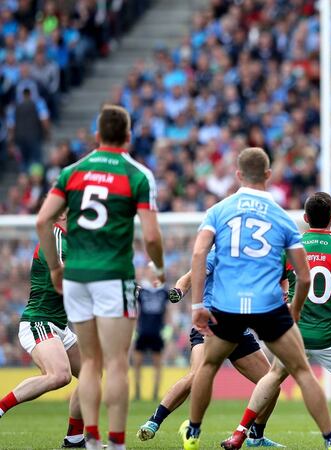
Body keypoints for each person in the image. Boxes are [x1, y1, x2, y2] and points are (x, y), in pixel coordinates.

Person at [183, 147, 331, 450]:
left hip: (227, 305)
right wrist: (294, 313)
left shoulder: (218, 210)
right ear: (269, 176)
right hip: (268, 305)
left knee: (208, 366)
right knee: (301, 371)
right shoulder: (282, 218)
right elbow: (305, 275)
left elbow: (199, 253)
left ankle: (193, 431)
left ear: (238, 175)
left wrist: (197, 306)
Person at [36, 104, 165, 450]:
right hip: (112, 276)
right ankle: (117, 443)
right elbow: (151, 237)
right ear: (127, 136)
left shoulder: (73, 172)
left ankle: (90, 440)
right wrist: (160, 267)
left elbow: (42, 221)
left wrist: (54, 267)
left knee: (89, 362)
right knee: (116, 363)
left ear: (97, 136)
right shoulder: (137, 174)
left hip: (77, 276)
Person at [226, 192, 331, 450]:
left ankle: (240, 433)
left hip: (295, 333)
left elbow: (270, 283)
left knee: (274, 375)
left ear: (305, 218)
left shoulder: (293, 246)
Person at [137, 252, 282, 447]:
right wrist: (179, 290)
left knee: (271, 383)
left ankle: (256, 436)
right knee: (198, 375)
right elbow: (189, 277)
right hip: (210, 324)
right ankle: (154, 421)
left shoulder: (254, 259)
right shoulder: (219, 252)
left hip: (239, 329)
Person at [0, 213, 85, 448]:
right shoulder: (55, 237)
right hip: (39, 321)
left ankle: (74, 439)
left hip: (59, 326)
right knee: (60, 376)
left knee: (91, 373)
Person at [132, 267, 171, 402]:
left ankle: (155, 393)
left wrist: (168, 329)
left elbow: (168, 311)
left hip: (157, 331)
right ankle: (137, 392)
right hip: (142, 331)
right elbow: (135, 309)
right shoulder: (141, 291)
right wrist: (134, 328)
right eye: (149, 271)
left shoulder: (164, 291)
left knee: (158, 364)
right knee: (137, 363)